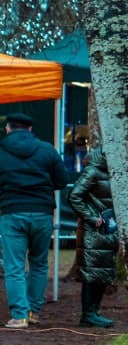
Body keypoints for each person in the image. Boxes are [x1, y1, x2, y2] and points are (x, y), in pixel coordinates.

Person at [1, 112, 70, 328]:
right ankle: (33, 311)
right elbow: (63, 180)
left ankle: (19, 315)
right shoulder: (46, 149)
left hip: (11, 212)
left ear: (8, 128)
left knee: (14, 266)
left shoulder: (1, 150)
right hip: (42, 213)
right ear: (30, 129)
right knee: (39, 263)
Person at [66, 147, 117, 328]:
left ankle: (93, 312)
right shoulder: (93, 171)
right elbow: (74, 196)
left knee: (102, 272)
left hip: (108, 230)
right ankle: (88, 314)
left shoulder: (112, 172)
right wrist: (92, 217)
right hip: (93, 231)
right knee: (92, 273)